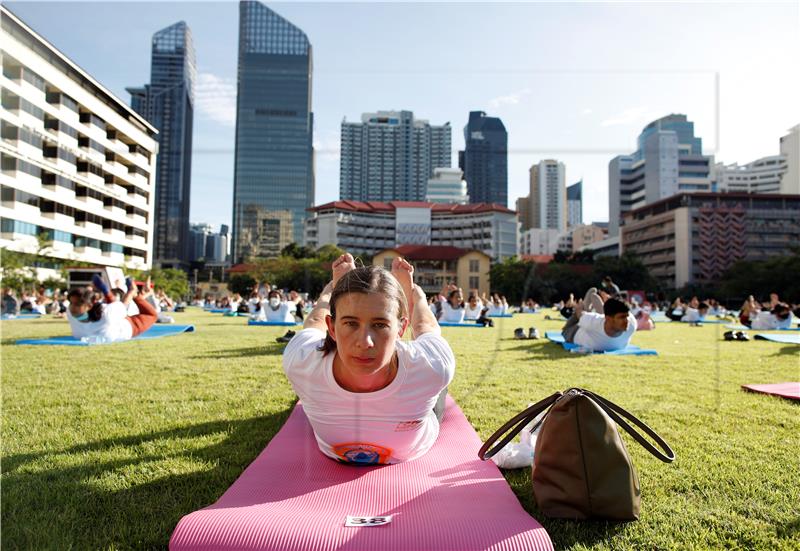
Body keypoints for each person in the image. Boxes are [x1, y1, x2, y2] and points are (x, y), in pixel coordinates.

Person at [282, 253, 455, 465]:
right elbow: (317, 319)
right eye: (351, 323)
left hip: (417, 432)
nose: (365, 343)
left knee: (422, 327)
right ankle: (334, 290)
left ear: (401, 328)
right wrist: (330, 295)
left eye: (380, 325)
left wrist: (416, 299)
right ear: (332, 328)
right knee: (317, 316)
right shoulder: (301, 362)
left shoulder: (431, 366)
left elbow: (425, 328)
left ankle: (413, 295)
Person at [66, 275, 158, 343]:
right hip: (112, 318)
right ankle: (134, 292)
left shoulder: (106, 314)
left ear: (89, 306)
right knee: (114, 308)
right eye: (71, 303)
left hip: (129, 326)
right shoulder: (70, 312)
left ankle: (135, 293)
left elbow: (123, 305)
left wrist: (130, 293)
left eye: (77, 304)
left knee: (152, 316)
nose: (72, 307)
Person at [562, 289, 637, 352]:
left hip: (600, 321)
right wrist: (580, 307)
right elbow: (579, 313)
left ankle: (596, 308)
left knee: (600, 316)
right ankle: (586, 306)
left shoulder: (632, 324)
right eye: (621, 317)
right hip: (574, 331)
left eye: (627, 316)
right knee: (566, 329)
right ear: (608, 318)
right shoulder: (594, 322)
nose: (626, 321)